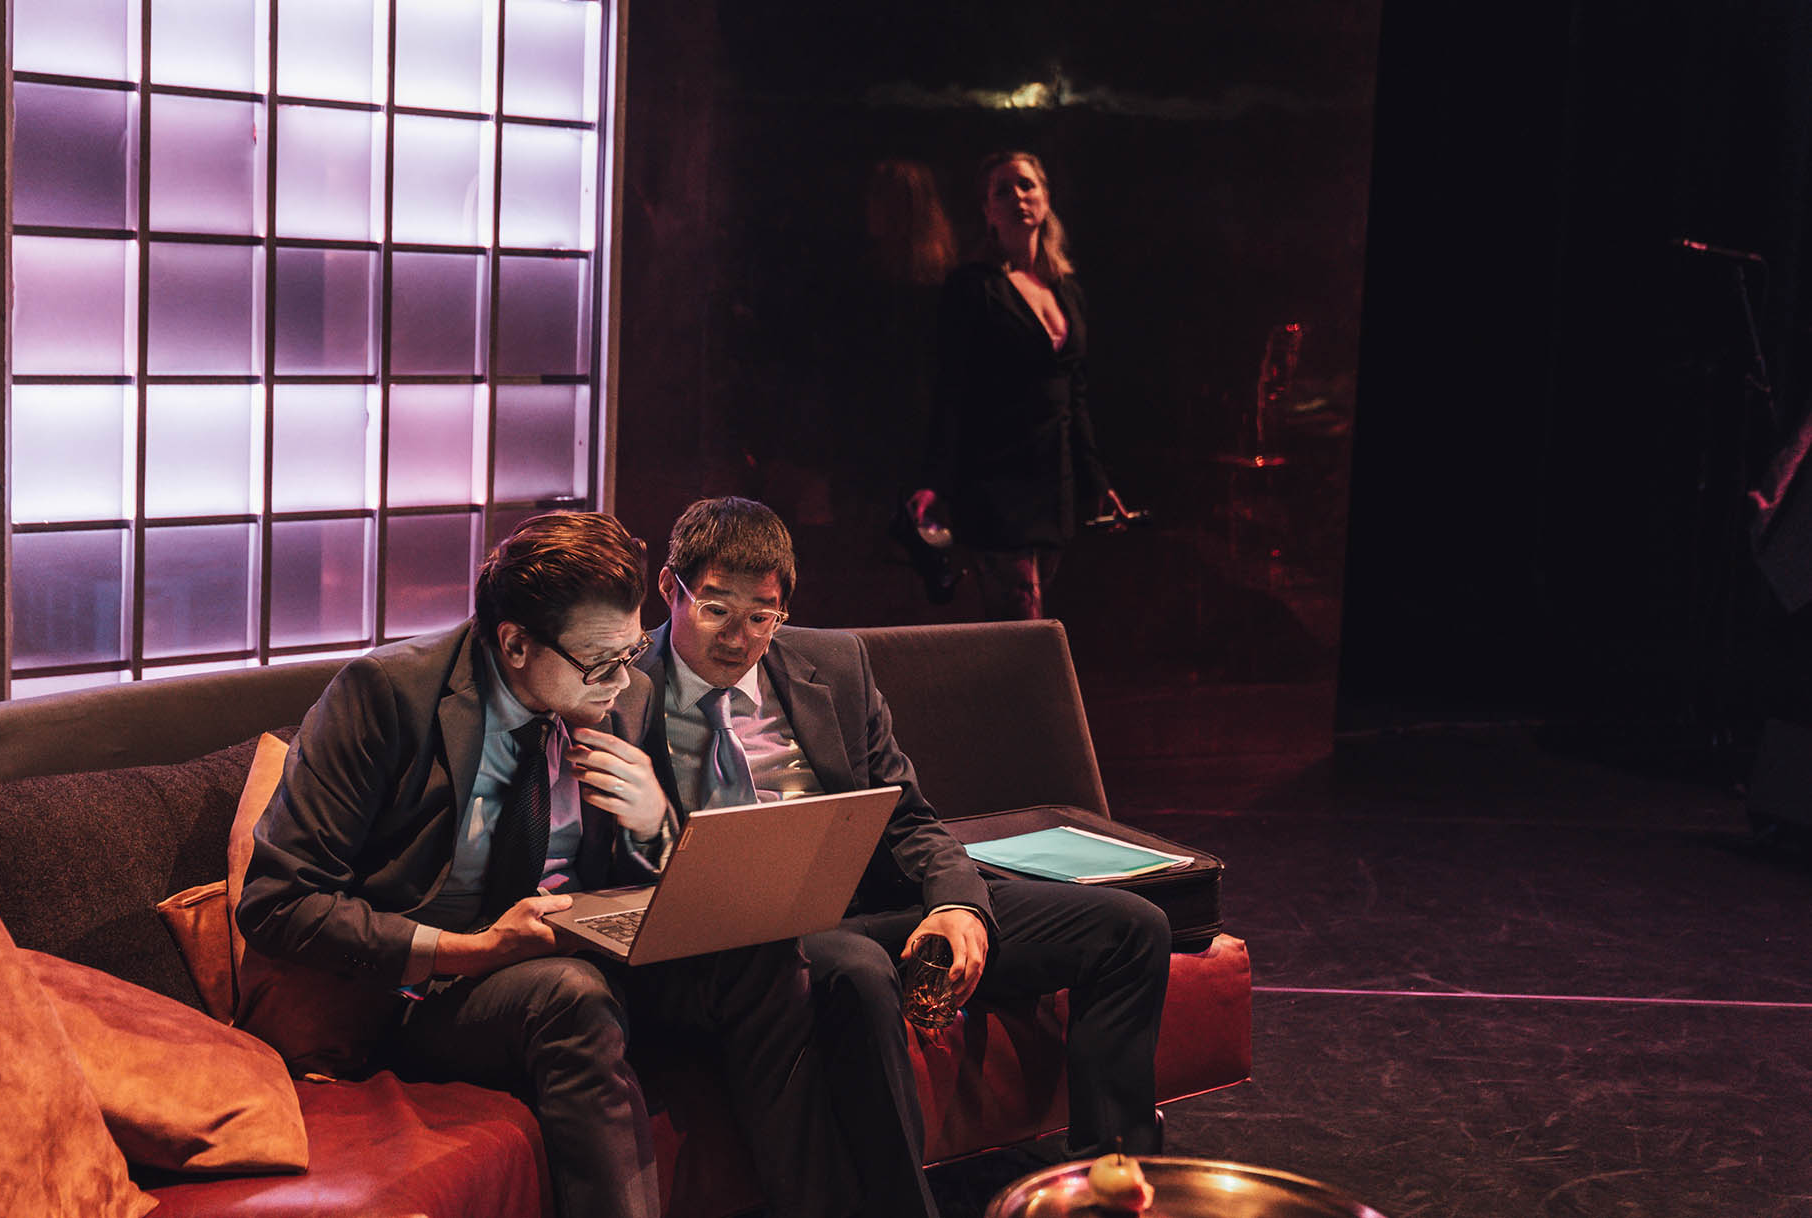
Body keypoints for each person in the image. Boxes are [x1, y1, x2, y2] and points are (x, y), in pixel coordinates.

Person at [237, 510, 858, 1218]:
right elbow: (278, 902)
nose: (623, 681)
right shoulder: (386, 696)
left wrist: (656, 825)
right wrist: (474, 951)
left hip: (587, 951)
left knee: (765, 955)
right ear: (515, 644)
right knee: (570, 993)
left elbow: (637, 872)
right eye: (600, 663)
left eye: (630, 653)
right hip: (433, 991)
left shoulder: (624, 694)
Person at [621, 497, 1172, 1218]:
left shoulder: (833, 664)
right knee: (856, 971)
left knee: (1131, 929)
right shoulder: (622, 689)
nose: (738, 638)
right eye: (716, 610)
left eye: (762, 617)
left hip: (870, 901)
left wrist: (956, 904)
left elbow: (908, 816)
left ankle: (1104, 1187)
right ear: (671, 588)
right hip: (754, 941)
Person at [912, 150, 1133, 620]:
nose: (1017, 196)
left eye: (1026, 185)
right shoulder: (973, 287)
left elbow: (1074, 396)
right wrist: (934, 480)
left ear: (1046, 198)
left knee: (1026, 618)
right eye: (1002, 190)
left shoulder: (1066, 290)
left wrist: (1095, 479)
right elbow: (951, 389)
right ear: (987, 210)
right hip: (996, 476)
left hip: (1054, 481)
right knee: (1023, 616)